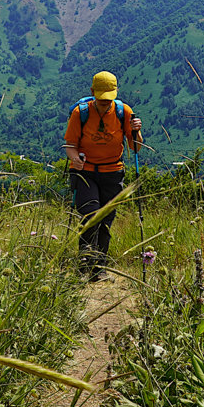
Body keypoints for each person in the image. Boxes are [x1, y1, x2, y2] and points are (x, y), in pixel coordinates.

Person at [63, 71, 143, 280]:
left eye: (109, 99)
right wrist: (75, 159)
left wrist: (136, 131)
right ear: (92, 92)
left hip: (112, 173)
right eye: (101, 99)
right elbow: (70, 145)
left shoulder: (123, 112)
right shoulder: (80, 113)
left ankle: (99, 269)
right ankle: (84, 266)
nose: (105, 103)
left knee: (106, 221)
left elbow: (135, 147)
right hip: (85, 173)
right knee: (91, 215)